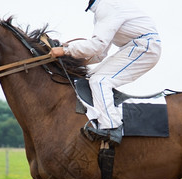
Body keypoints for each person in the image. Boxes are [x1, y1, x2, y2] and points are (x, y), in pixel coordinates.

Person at [50, 0, 162, 144]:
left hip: (144, 46)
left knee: (100, 81)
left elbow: (97, 46)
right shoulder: (101, 9)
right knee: (91, 78)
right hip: (134, 46)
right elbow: (100, 54)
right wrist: (69, 59)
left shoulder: (107, 6)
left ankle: (111, 128)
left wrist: (66, 50)